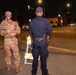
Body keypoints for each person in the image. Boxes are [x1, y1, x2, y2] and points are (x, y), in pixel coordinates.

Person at [29, 7, 52, 75]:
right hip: (43, 43)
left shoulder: (32, 21)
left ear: (36, 13)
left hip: (35, 42)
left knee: (35, 58)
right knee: (43, 58)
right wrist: (45, 34)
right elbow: (50, 31)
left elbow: (30, 32)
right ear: (42, 13)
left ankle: (34, 72)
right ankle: (44, 72)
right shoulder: (46, 21)